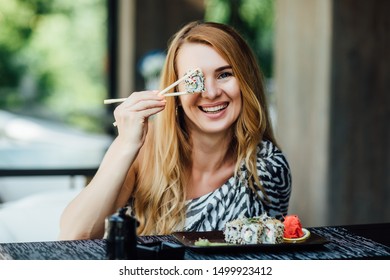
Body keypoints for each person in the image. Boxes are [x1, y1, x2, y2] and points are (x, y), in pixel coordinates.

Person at [59, 21, 292, 240]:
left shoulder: (268, 167)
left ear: (246, 81)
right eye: (194, 79)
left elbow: (267, 256)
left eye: (224, 74)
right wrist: (125, 145)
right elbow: (73, 236)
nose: (210, 92)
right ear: (176, 92)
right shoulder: (143, 148)